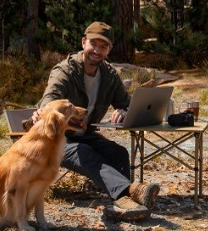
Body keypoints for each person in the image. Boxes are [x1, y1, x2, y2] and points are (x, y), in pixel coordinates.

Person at [33, 21, 160, 221]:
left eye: (104, 47)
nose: (97, 51)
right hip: (57, 138)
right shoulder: (65, 71)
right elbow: (50, 99)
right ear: (84, 42)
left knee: (118, 152)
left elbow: (126, 103)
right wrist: (45, 110)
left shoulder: (109, 74)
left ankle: (121, 203)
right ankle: (129, 193)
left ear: (109, 50)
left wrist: (123, 111)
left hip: (86, 135)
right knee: (84, 153)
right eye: (94, 44)